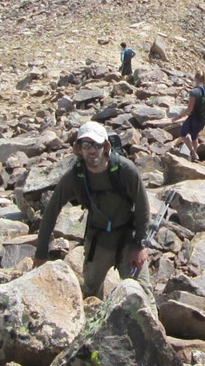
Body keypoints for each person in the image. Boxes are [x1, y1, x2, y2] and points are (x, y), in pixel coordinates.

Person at [33, 120, 149, 298]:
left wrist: (140, 245)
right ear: (79, 148)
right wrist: (41, 254)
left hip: (128, 239)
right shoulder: (76, 176)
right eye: (86, 145)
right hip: (98, 242)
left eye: (97, 144)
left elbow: (142, 207)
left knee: (142, 294)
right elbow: (51, 212)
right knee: (90, 295)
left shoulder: (126, 170)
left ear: (106, 147)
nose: (92, 150)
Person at [169, 71, 205, 160]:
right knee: (194, 135)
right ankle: (195, 156)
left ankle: (192, 151)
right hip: (204, 119)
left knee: (183, 133)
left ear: (196, 78)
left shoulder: (194, 92)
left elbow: (190, 108)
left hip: (194, 118)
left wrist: (179, 117)